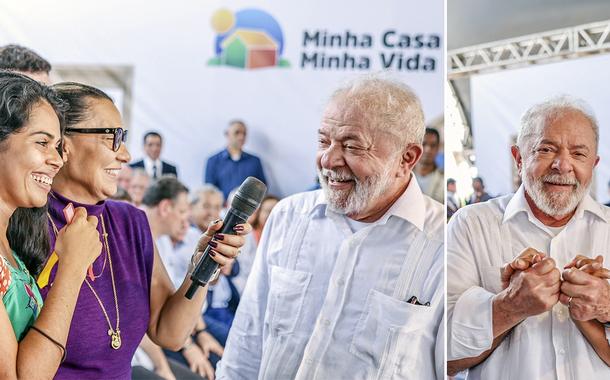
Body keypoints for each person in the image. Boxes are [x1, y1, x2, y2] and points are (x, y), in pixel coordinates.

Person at [217, 75, 445, 379]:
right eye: (324, 141)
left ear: (407, 158)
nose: (329, 159)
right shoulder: (289, 217)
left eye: (352, 146)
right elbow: (247, 342)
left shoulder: (442, 245)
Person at [36, 81, 249, 379]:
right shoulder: (27, 227)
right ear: (64, 143)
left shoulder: (130, 222)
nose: (124, 154)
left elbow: (169, 332)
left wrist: (203, 266)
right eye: (113, 137)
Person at [447, 96, 610, 379]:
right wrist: (510, 306)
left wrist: (606, 308)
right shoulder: (471, 225)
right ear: (519, 159)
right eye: (546, 149)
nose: (563, 165)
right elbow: (443, 358)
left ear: (593, 164)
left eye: (579, 154)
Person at [0, 72, 102, 378]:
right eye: (42, 142)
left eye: (57, 146)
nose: (57, 160)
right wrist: (72, 268)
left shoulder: (12, 243)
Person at [204, 120, 266, 200]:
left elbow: (261, 188)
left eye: (244, 133)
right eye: (237, 132)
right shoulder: (213, 161)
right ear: (227, 134)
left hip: (247, 209)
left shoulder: (255, 161)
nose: (241, 137)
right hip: (222, 209)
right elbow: (209, 190)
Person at [233, 195, 279, 294]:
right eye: (267, 211)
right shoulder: (248, 235)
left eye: (275, 211)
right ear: (259, 213)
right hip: (245, 287)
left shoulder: (281, 238)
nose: (271, 215)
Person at [414, 127, 444, 203]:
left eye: (433, 145)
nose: (428, 150)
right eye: (424, 144)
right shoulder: (402, 175)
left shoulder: (443, 179)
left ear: (438, 148)